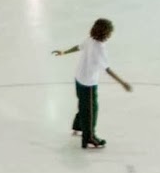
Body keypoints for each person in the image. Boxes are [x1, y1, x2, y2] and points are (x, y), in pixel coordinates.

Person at [51, 18, 132, 150]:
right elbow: (107, 69)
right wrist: (122, 82)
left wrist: (64, 52)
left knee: (83, 104)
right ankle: (90, 138)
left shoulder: (90, 39)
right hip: (88, 83)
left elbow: (78, 47)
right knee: (91, 110)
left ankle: (78, 126)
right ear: (105, 33)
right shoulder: (100, 48)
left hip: (79, 78)